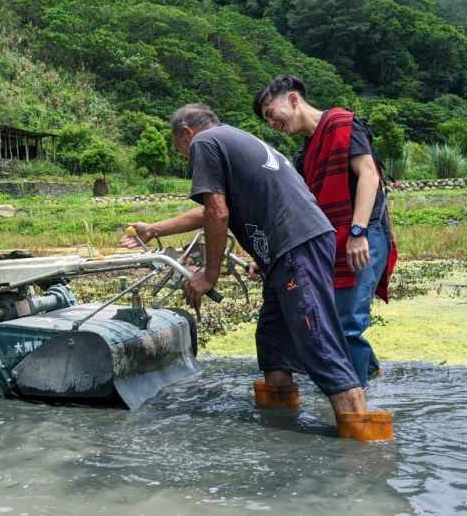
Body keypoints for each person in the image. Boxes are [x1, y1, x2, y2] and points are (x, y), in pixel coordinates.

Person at [122, 104, 392, 440]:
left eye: (183, 153)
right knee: (272, 341)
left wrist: (209, 276)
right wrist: (153, 229)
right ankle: (281, 426)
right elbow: (212, 210)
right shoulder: (233, 140)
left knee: (317, 339)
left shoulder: (205, 143)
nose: (187, 160)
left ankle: (363, 442)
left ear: (188, 133)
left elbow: (218, 215)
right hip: (293, 247)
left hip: (296, 246)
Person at [253, 74, 397, 389]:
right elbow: (301, 209)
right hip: (332, 243)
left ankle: (356, 405)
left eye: (270, 113)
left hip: (363, 235)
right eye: (266, 121)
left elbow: (369, 176)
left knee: (345, 324)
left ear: (292, 99)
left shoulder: (342, 124)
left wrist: (357, 232)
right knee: (332, 320)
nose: (270, 123)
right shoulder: (304, 155)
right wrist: (268, 255)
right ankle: (372, 377)